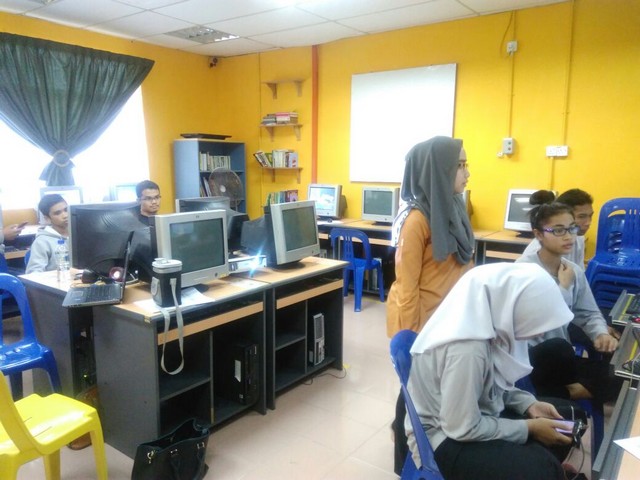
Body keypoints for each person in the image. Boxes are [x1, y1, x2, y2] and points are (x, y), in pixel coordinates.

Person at [407, 263, 576, 480]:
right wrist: (530, 428)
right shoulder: (468, 350)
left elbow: (492, 387)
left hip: (471, 416)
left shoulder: (489, 328)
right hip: (442, 438)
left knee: (568, 423)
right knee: (542, 469)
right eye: (535, 320)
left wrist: (528, 404)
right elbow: (461, 428)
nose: (540, 332)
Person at [386, 136, 475, 474]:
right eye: (459, 166)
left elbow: (462, 265)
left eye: (466, 164)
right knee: (412, 396)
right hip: (422, 323)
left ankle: (424, 448)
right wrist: (411, 340)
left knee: (428, 397)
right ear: (439, 170)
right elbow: (407, 287)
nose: (467, 173)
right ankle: (403, 462)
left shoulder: (454, 208)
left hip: (448, 319)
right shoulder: (416, 220)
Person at [516, 201, 621, 404]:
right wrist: (563, 287)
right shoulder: (523, 271)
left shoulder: (573, 270)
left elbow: (588, 312)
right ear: (538, 234)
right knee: (558, 348)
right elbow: (540, 321)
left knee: (622, 376)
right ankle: (545, 391)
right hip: (531, 357)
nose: (568, 236)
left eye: (572, 228)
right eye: (558, 230)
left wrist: (600, 333)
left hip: (561, 359)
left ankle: (561, 392)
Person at [521, 188, 594, 269]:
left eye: (590, 216)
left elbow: (579, 273)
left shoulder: (579, 238)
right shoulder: (534, 255)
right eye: (581, 216)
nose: (588, 222)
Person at [26, 194, 69, 274]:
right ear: (47, 218)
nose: (65, 215)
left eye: (66, 210)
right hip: (57, 280)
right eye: (57, 213)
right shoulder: (42, 242)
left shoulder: (79, 235)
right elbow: (33, 274)